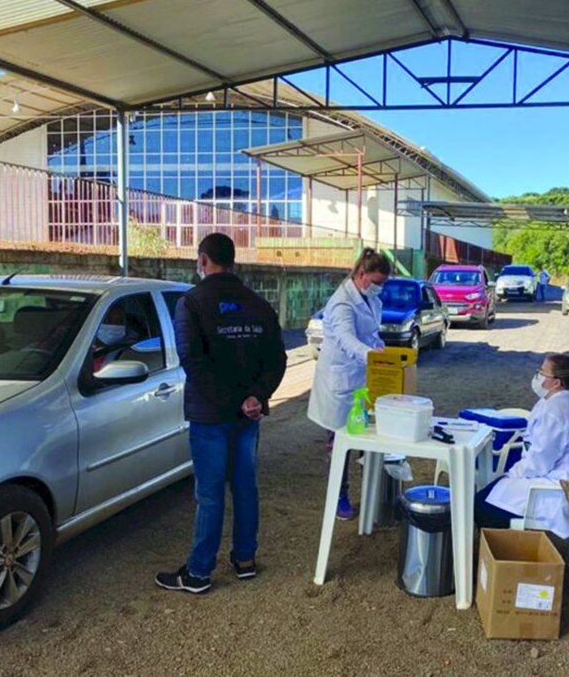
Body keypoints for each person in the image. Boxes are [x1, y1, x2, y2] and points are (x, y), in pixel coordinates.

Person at [156, 233, 287, 594]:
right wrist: (256, 397)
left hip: (210, 417)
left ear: (202, 260)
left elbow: (193, 363)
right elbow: (277, 358)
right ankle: (245, 560)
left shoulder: (192, 303)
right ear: (233, 261)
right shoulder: (259, 304)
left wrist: (233, 402)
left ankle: (198, 573)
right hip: (247, 417)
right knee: (245, 485)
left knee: (210, 493)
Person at [476, 353, 569, 538]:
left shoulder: (556, 411)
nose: (537, 376)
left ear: (556, 383)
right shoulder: (562, 402)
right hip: (567, 477)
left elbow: (539, 462)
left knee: (482, 505)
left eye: (542, 372)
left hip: (560, 488)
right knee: (490, 493)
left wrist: (512, 475)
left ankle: (505, 556)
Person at [307, 248, 392, 520]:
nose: (379, 288)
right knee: (340, 443)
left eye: (382, 283)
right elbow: (346, 338)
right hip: (340, 382)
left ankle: (372, 495)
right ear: (361, 274)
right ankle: (338, 496)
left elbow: (371, 333)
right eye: (376, 282)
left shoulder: (369, 299)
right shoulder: (341, 302)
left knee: (367, 438)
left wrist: (380, 348)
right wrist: (370, 354)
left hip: (361, 377)